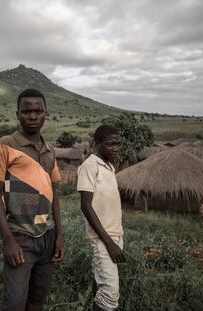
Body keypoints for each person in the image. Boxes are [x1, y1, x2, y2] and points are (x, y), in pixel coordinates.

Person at [0, 88, 64, 311]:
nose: (32, 116)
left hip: (47, 237)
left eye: (38, 111)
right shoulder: (5, 145)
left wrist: (59, 235)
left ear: (46, 113)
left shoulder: (49, 150)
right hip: (20, 237)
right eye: (26, 111)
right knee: (14, 304)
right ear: (17, 114)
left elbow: (54, 194)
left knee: (37, 300)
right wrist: (8, 240)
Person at [77, 125, 126, 311]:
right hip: (103, 238)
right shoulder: (90, 166)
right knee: (110, 295)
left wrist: (116, 240)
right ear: (98, 144)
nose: (115, 148)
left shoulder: (110, 167)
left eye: (118, 144)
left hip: (115, 235)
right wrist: (109, 243)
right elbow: (85, 206)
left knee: (101, 286)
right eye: (110, 144)